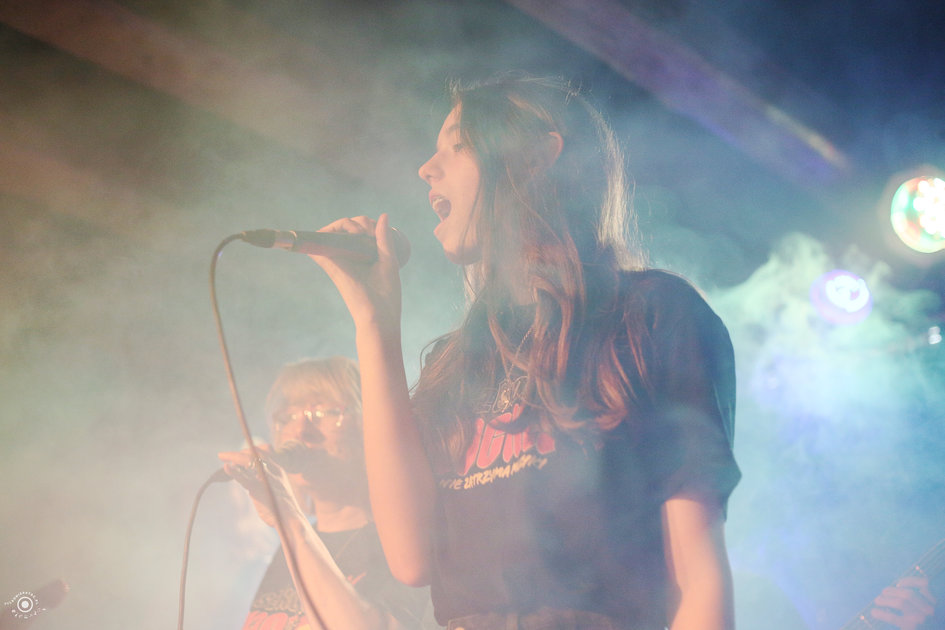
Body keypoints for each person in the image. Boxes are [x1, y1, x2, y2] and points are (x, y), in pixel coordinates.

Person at [309, 74, 741, 629]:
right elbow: (411, 558)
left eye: (457, 145)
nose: (426, 169)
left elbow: (698, 578)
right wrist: (375, 323)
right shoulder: (455, 364)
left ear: (535, 158)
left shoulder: (649, 314)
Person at [218, 357, 430, 630]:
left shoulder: (405, 545)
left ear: (369, 426)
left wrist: (289, 521)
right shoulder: (288, 547)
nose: (299, 431)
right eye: (287, 417)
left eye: (323, 412)